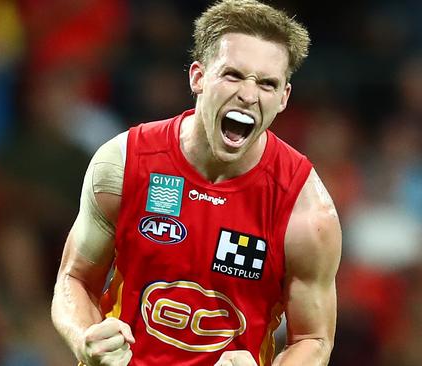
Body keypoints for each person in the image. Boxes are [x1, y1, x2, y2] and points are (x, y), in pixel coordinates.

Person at [51, 1, 342, 365]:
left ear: (283, 98)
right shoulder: (126, 163)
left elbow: (314, 338)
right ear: (198, 77)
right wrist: (84, 339)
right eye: (233, 75)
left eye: (267, 84)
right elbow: (74, 280)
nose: (249, 96)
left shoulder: (306, 209)